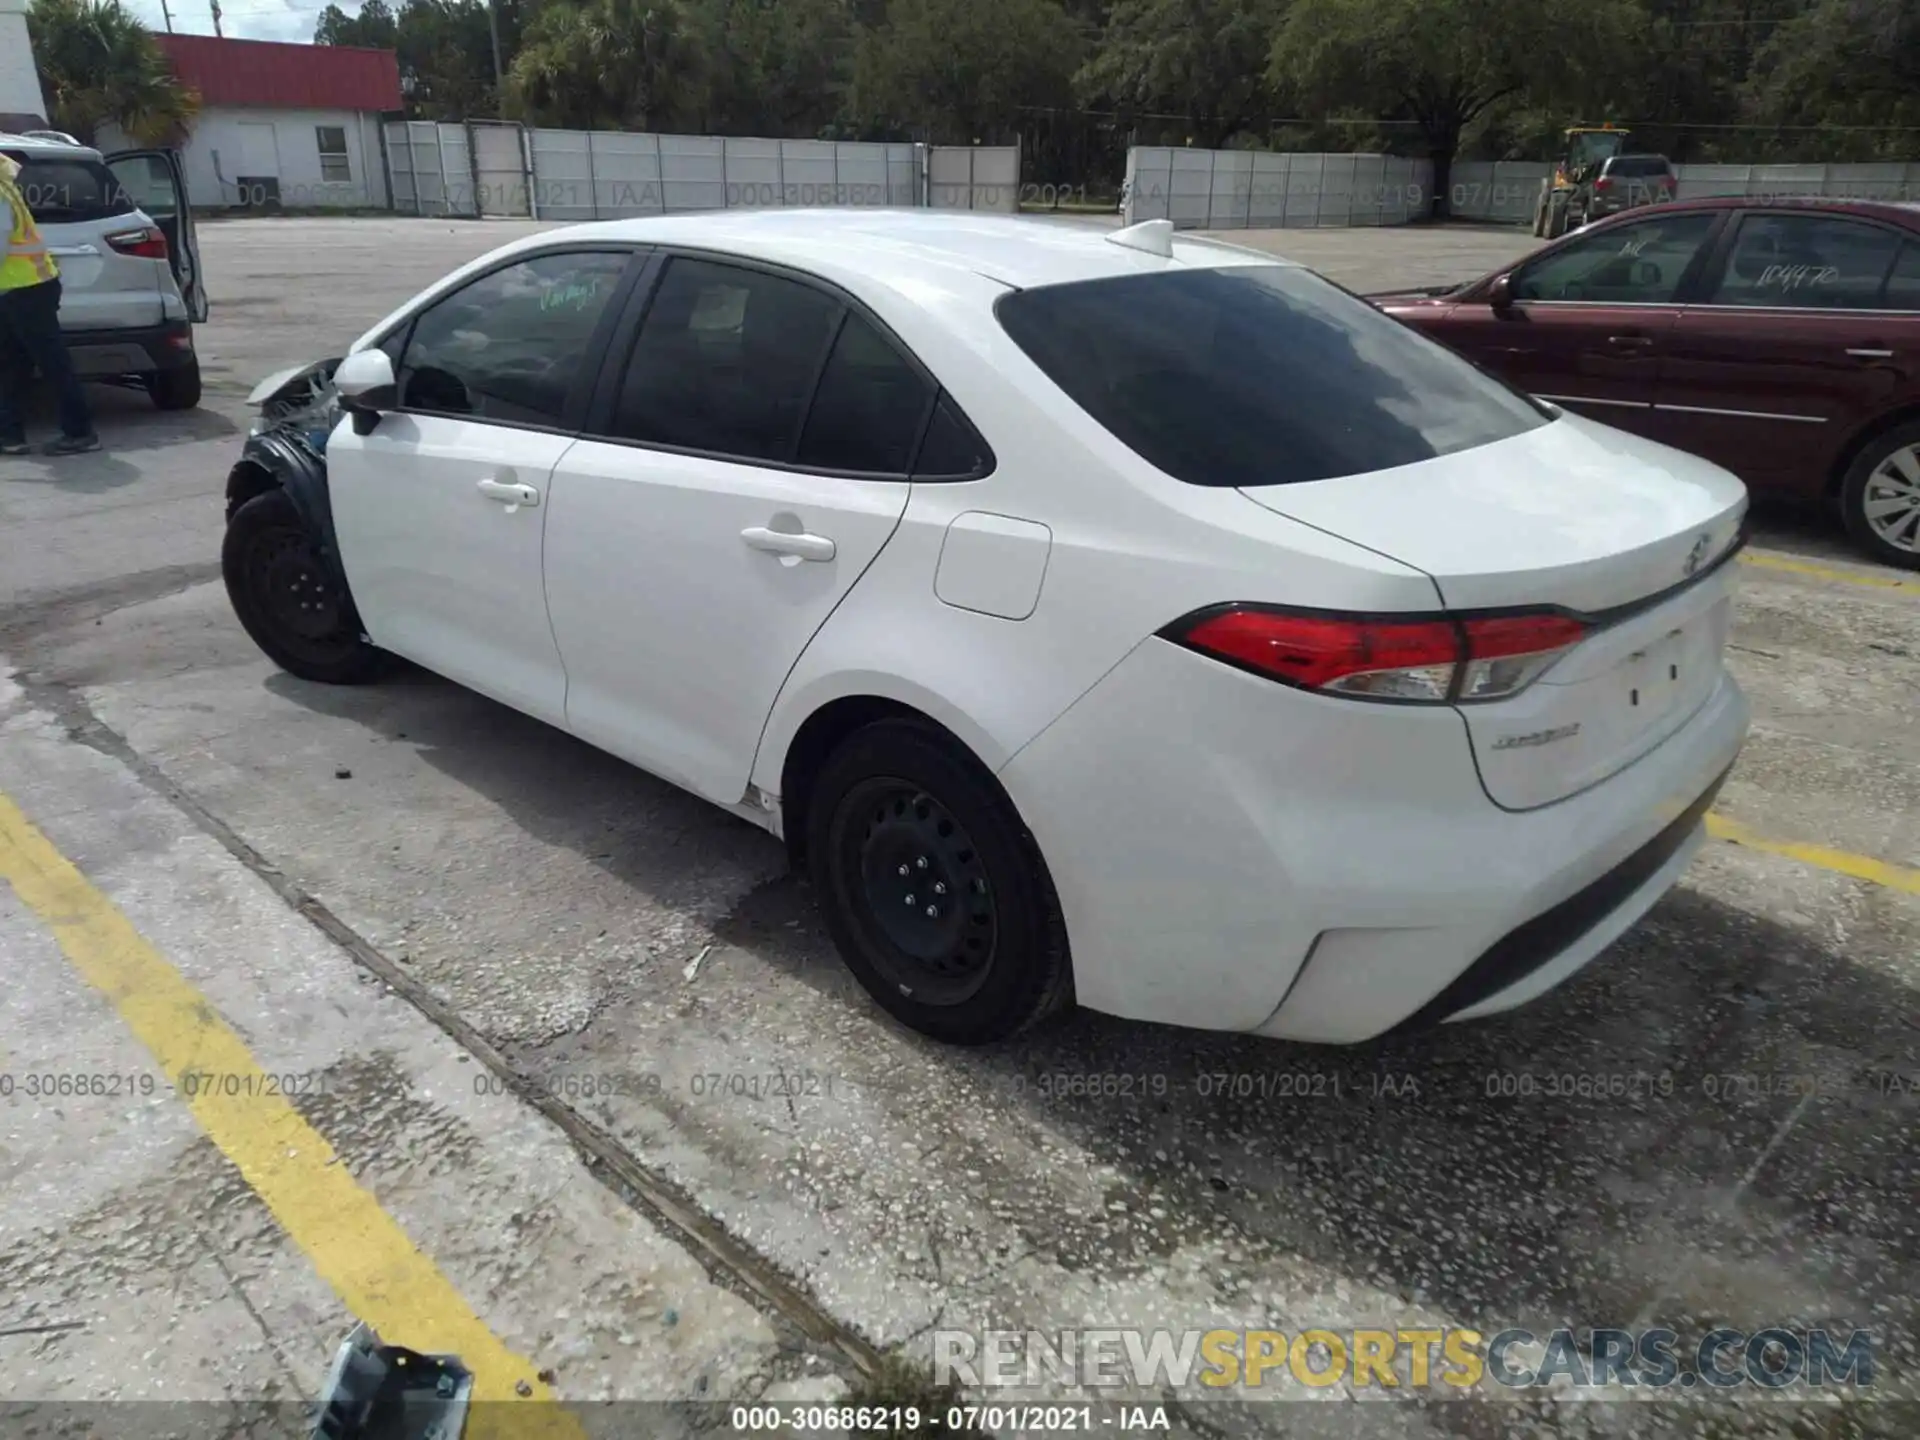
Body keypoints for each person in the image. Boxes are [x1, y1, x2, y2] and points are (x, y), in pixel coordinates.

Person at [0, 150, 101, 456]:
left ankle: (80, 431)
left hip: (27, 290)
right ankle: (9, 435)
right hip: (21, 289)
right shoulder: (5, 186)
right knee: (12, 363)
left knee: (51, 363)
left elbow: (1, 241)